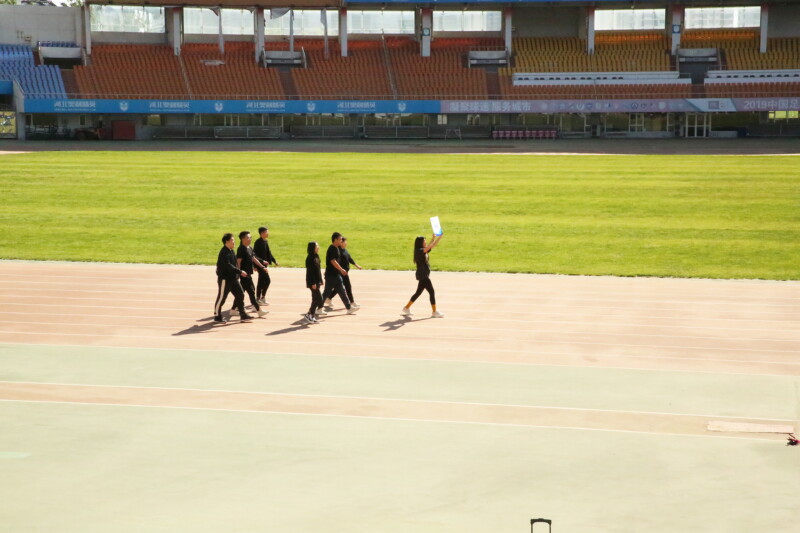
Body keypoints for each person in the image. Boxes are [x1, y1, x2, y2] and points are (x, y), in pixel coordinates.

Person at [401, 234, 444, 318]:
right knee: (431, 292)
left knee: (418, 293)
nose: (426, 242)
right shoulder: (419, 251)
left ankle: (406, 308)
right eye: (424, 241)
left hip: (423, 275)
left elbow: (433, 245)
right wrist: (433, 238)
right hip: (423, 275)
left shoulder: (423, 250)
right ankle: (434, 311)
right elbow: (427, 247)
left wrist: (440, 236)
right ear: (420, 243)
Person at [214, 233, 252, 323]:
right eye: (232, 240)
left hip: (233, 279)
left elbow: (234, 264)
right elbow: (228, 266)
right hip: (225, 279)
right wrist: (240, 272)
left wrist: (237, 274)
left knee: (240, 294)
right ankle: (217, 316)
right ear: (227, 242)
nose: (234, 242)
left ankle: (243, 315)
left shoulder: (231, 251)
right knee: (222, 297)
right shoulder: (224, 252)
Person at [320, 232, 357, 316]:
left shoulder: (337, 248)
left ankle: (349, 308)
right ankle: (318, 307)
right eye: (340, 239)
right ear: (335, 239)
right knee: (326, 293)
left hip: (336, 275)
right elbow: (333, 261)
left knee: (342, 291)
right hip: (331, 275)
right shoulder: (331, 249)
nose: (341, 240)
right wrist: (341, 269)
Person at [235, 231, 269, 318]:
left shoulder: (250, 248)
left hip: (248, 274)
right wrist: (238, 273)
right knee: (251, 291)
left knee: (241, 292)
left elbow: (254, 258)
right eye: (248, 238)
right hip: (244, 275)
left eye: (250, 237)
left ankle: (233, 308)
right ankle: (258, 310)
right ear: (243, 239)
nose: (250, 239)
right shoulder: (241, 249)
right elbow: (238, 261)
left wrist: (262, 267)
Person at [253, 226, 279, 305]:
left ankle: (261, 298)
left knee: (262, 281)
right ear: (262, 233)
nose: (268, 233)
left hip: (264, 265)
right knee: (266, 281)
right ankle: (259, 298)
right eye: (266, 232)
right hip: (260, 265)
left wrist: (274, 261)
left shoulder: (265, 241)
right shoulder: (258, 242)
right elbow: (254, 255)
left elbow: (268, 253)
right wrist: (256, 265)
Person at [303, 241, 323, 325]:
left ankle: (310, 315)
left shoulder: (316, 256)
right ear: (313, 248)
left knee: (315, 298)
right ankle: (309, 314)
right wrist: (313, 283)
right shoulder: (310, 258)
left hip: (317, 281)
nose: (318, 247)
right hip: (312, 282)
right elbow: (310, 272)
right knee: (318, 299)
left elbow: (318, 269)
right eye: (316, 246)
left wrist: (321, 280)